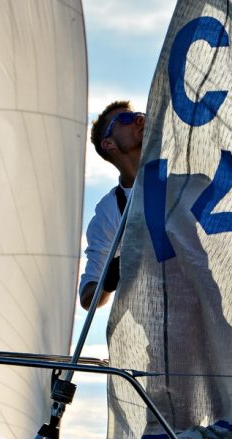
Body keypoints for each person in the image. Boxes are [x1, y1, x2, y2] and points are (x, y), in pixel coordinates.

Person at [79, 100, 146, 309]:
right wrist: (115, 273)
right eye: (125, 118)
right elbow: (88, 297)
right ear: (108, 143)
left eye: (138, 114)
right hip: (165, 322)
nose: (139, 119)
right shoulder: (110, 211)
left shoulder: (185, 171)